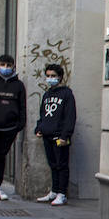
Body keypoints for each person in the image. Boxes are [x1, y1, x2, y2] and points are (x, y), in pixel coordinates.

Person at [0, 53, 26, 200]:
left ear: (13, 66)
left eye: (9, 65)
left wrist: (19, 125)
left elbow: (22, 106)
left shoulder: (18, 85)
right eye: (3, 65)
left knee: (1, 157)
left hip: (8, 129)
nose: (6, 68)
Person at [34, 63, 75, 206]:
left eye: (53, 76)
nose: (50, 78)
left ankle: (62, 194)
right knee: (52, 164)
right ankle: (54, 190)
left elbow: (70, 116)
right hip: (47, 135)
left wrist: (65, 135)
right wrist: (39, 128)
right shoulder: (46, 94)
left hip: (60, 137)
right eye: (48, 76)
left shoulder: (66, 94)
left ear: (60, 77)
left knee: (61, 164)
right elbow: (43, 114)